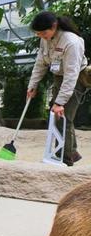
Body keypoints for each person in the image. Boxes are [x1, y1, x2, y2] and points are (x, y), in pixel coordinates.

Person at [27, 11, 88, 166]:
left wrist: (60, 102)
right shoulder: (45, 39)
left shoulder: (72, 42)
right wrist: (32, 85)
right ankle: (71, 151)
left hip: (76, 79)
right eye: (38, 34)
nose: (41, 36)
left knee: (62, 117)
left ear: (54, 26)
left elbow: (71, 75)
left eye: (43, 32)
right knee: (59, 117)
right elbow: (40, 63)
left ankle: (65, 158)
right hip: (58, 77)